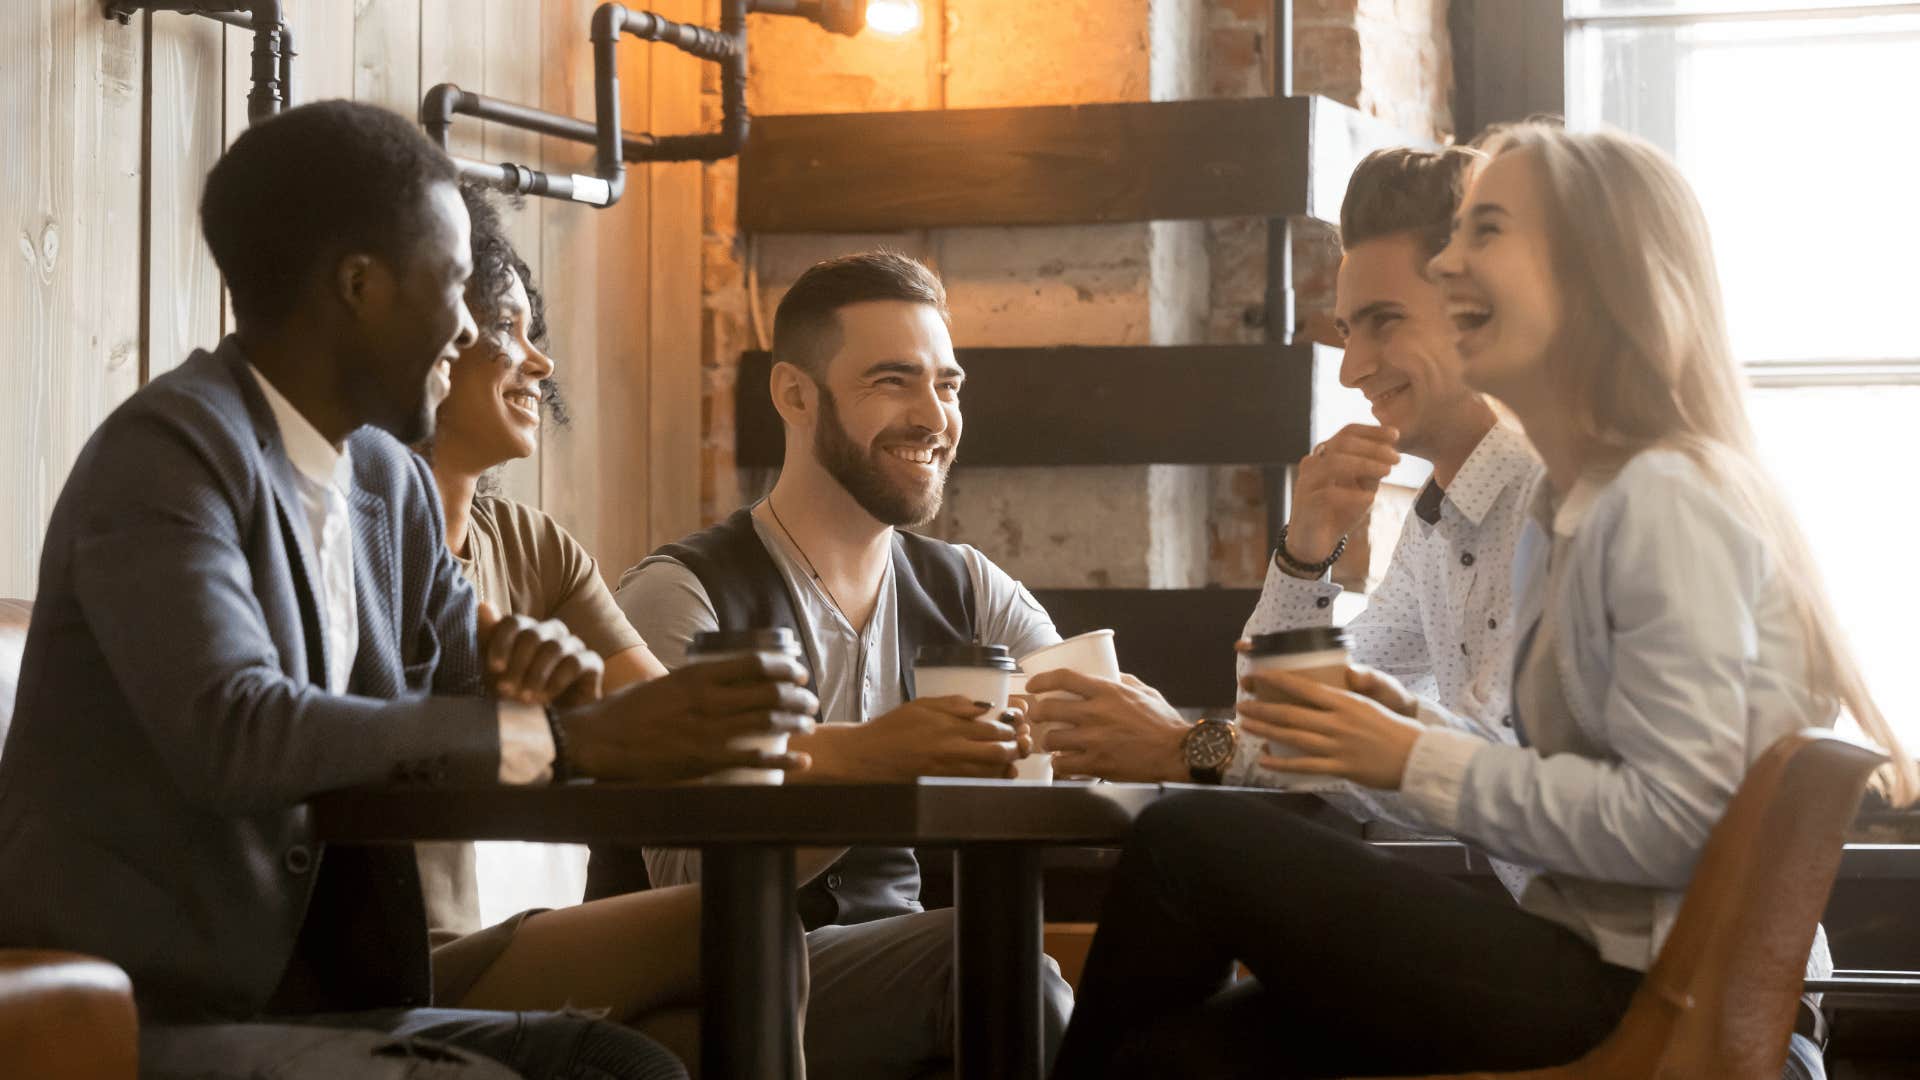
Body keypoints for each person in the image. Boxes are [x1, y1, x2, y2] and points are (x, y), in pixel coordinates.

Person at [1047, 123, 1915, 1079]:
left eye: (1487, 232)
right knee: (1175, 1057)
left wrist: (1407, 753)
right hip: (1588, 965)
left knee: (1185, 841)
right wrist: (1332, 603)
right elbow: (1299, 727)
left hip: (1657, 999)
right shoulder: (1555, 507)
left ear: (1590, 279)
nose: (1457, 260)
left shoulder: (1657, 501)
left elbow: (1674, 822)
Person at [0, 100, 814, 1080]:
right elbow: (235, 730)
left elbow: (460, 705)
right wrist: (564, 737)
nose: (471, 326)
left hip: (344, 1003)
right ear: (360, 287)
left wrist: (529, 682)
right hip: (128, 1011)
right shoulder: (170, 454)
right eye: (458, 285)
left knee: (622, 1067)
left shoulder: (387, 486)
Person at [598, 251, 1075, 1079]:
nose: (934, 417)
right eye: (894, 381)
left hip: (900, 977)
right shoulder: (682, 595)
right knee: (998, 968)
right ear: (793, 394)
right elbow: (684, 881)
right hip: (699, 988)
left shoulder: (972, 589)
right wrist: (879, 765)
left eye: (949, 386)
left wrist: (1096, 726)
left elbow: (1087, 723)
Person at [1025, 148, 1537, 821]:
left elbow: (1492, 774)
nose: (1351, 369)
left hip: (1564, 918)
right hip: (1498, 898)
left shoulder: (1549, 502)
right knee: (1189, 838)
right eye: (1349, 331)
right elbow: (1281, 723)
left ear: (1478, 310)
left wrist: (1190, 748)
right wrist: (1304, 553)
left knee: (1184, 836)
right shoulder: (1438, 522)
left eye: (1386, 322)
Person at [415, 182, 773, 1072]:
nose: (539, 363)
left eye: (536, 333)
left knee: (683, 1038)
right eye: (506, 329)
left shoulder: (536, 547)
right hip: (409, 953)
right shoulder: (363, 533)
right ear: (431, 336)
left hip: (521, 936)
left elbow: (673, 725)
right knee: (738, 916)